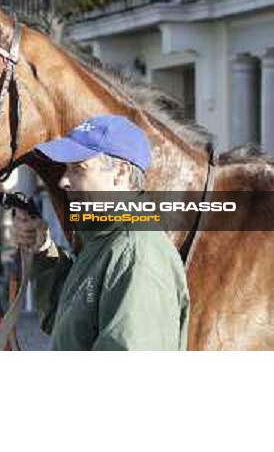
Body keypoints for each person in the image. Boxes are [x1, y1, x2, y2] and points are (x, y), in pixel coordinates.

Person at [13, 115, 190, 351]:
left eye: (78, 168)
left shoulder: (134, 254)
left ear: (121, 173)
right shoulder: (105, 241)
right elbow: (68, 325)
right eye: (66, 168)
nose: (64, 181)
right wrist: (44, 251)